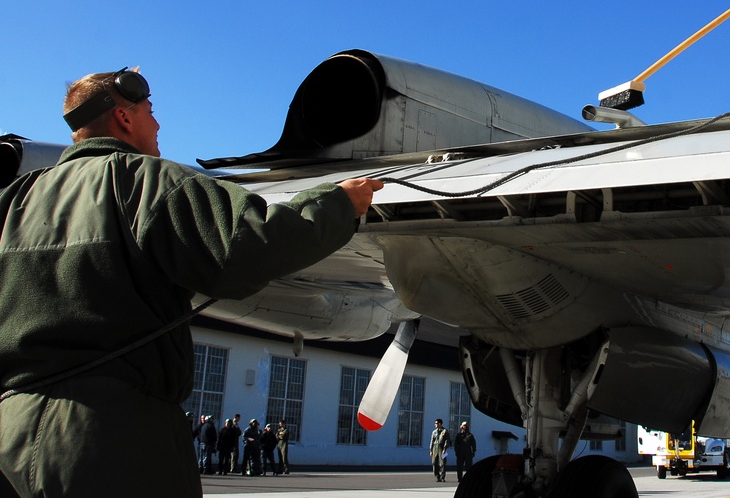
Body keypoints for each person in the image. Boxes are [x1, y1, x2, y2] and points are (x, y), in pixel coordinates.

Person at [0, 67, 383, 497]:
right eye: (149, 110)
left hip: (8, 437)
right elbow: (252, 244)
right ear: (124, 118)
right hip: (111, 443)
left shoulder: (13, 200)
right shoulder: (147, 180)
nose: (158, 123)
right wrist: (338, 203)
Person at [429, 418, 450, 482]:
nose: (435, 424)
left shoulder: (445, 431)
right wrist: (431, 450)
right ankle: (437, 476)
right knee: (434, 462)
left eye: (436, 423)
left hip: (442, 448)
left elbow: (447, 440)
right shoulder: (434, 432)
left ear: (440, 424)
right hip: (435, 448)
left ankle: (442, 477)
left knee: (442, 463)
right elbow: (432, 441)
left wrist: (445, 449)